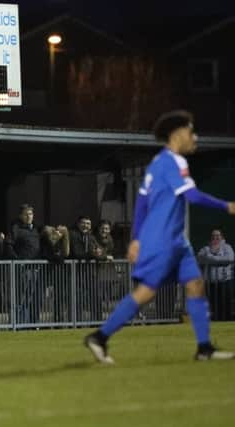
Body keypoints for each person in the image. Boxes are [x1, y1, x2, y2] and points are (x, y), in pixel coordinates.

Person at [84, 110, 235, 364]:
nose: (195, 136)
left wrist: (134, 239)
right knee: (146, 293)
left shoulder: (158, 163)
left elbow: (142, 202)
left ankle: (204, 348)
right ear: (177, 134)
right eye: (191, 131)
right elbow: (193, 196)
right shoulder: (173, 162)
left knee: (196, 285)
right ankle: (99, 337)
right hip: (162, 239)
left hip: (177, 240)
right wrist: (226, 206)